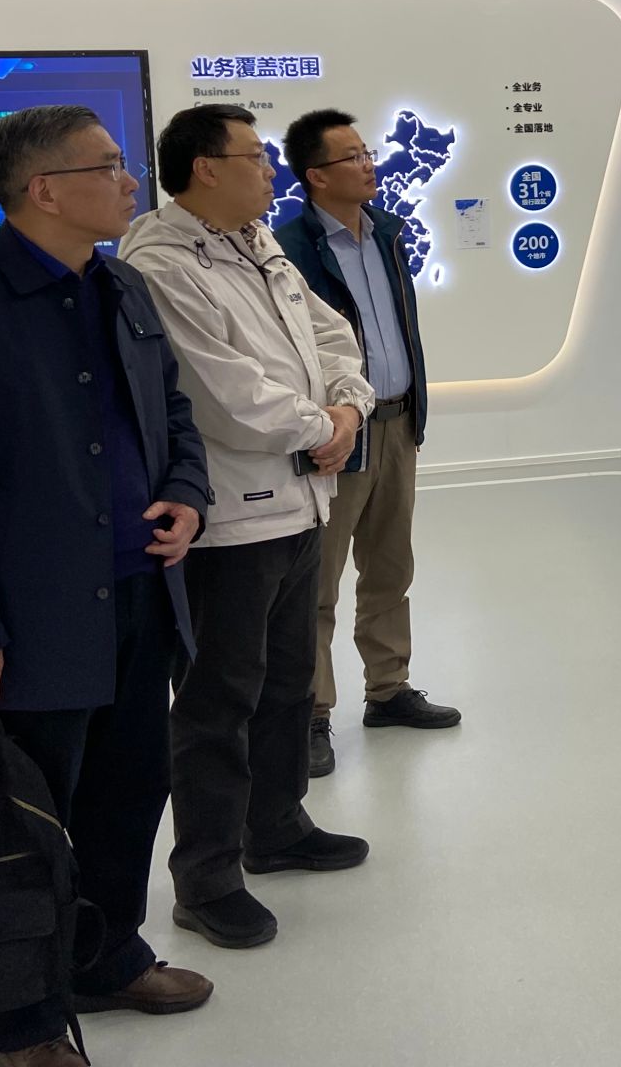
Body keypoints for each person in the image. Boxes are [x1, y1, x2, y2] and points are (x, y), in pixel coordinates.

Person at [0, 105, 215, 1067]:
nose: (131, 181)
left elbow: (172, 412)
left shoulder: (124, 286)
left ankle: (105, 957)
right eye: (109, 166)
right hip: (31, 619)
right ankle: (23, 1023)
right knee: (28, 816)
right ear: (44, 190)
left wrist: (187, 493)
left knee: (130, 792)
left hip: (142, 594)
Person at [118, 104, 377, 951]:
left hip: (300, 501)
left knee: (287, 682)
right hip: (230, 517)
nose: (270, 171)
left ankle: (276, 826)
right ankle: (207, 877)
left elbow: (333, 336)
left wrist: (348, 406)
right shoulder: (161, 261)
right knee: (217, 701)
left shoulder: (256, 242)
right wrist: (323, 426)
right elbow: (222, 394)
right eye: (255, 158)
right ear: (205, 168)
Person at [276, 110, 458, 781]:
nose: (368, 164)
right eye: (351, 157)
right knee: (317, 583)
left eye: (366, 152)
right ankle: (310, 713)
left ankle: (388, 689)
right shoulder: (289, 249)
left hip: (397, 423)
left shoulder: (387, 232)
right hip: (336, 435)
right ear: (317, 176)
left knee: (389, 567)